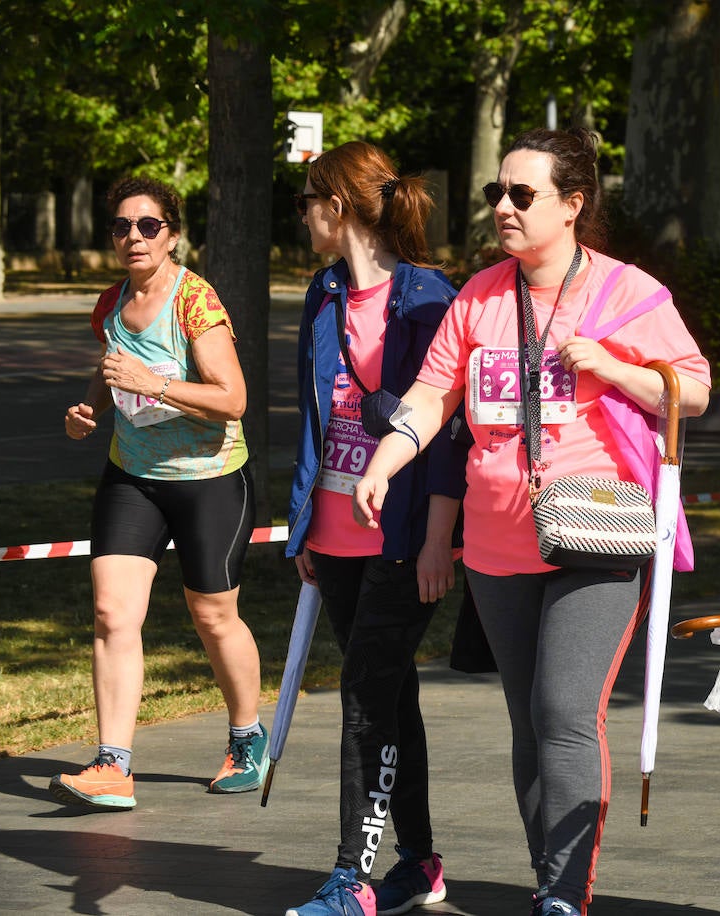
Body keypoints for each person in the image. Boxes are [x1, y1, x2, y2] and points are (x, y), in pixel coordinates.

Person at [352, 127, 712, 916]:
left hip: (598, 533)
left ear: (573, 205)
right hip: (498, 541)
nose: (503, 208)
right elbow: (430, 396)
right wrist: (386, 459)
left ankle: (562, 899)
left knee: (564, 713)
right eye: (496, 193)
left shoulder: (627, 292)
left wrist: (616, 367)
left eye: (522, 194)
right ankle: (550, 877)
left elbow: (693, 390)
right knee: (529, 724)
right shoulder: (480, 295)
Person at [283, 141, 462, 916]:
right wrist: (303, 530)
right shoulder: (321, 294)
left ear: (340, 204)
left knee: (364, 693)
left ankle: (352, 879)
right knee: (392, 697)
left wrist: (435, 540)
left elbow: (453, 427)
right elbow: (312, 420)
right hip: (335, 534)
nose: (303, 215)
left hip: (401, 535)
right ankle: (419, 864)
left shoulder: (429, 297)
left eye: (309, 200)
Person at [52, 175, 263, 810]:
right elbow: (111, 362)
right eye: (122, 226)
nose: (134, 237)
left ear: (171, 233)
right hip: (133, 477)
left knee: (213, 615)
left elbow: (232, 399)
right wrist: (87, 409)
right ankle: (112, 766)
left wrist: (154, 382)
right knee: (113, 613)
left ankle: (248, 741)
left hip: (208, 481)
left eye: (148, 226)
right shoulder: (110, 303)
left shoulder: (194, 301)